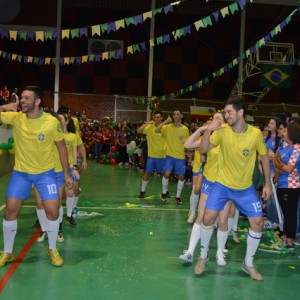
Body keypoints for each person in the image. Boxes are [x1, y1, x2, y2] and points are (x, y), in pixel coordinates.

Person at [196, 96, 271, 281]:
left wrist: (268, 183)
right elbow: (203, 149)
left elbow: (264, 157)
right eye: (225, 112)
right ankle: (203, 256)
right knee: (207, 217)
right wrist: (208, 131)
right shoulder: (221, 132)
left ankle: (248, 263)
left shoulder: (255, 134)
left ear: (240, 112)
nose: (226, 115)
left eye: (229, 112)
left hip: (245, 189)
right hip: (221, 185)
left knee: (258, 223)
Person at [0, 86, 72, 267]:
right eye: (21, 98)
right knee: (10, 211)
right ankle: (7, 251)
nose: (22, 101)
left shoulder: (50, 122)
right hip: (21, 174)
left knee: (53, 210)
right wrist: (5, 107)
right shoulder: (16, 118)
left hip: (45, 174)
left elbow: (62, 147)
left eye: (26, 98)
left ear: (37, 101)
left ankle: (52, 248)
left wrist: (66, 173)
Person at [273, 121, 300, 249]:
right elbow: (275, 160)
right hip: (281, 184)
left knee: (291, 212)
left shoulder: (297, 148)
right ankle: (285, 235)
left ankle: (290, 238)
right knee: (285, 212)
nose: (283, 133)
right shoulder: (283, 145)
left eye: (285, 131)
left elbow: (289, 168)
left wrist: (277, 162)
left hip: (292, 186)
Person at [155, 109, 190, 204]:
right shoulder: (168, 127)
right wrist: (165, 121)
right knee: (166, 174)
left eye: (178, 114)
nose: (176, 116)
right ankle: (163, 193)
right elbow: (157, 130)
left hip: (180, 156)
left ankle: (178, 197)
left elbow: (187, 143)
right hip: (169, 155)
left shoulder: (185, 129)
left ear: (181, 116)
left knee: (181, 177)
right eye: (174, 114)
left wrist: (189, 154)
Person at [137, 111, 166, 198]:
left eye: (158, 117)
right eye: (155, 117)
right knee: (147, 173)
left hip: (162, 155)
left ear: (161, 118)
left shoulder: (165, 127)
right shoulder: (150, 127)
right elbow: (139, 131)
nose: (156, 119)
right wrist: (147, 123)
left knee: (165, 175)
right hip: (152, 156)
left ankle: (165, 191)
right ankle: (142, 191)